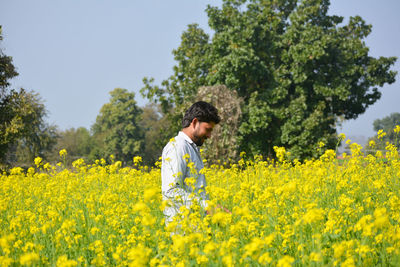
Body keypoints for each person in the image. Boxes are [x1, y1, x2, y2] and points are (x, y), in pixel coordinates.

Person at [161, 101, 220, 224]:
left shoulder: (191, 148)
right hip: (182, 231)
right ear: (194, 122)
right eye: (208, 129)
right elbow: (171, 191)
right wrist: (207, 206)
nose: (209, 136)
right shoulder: (178, 147)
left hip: (196, 228)